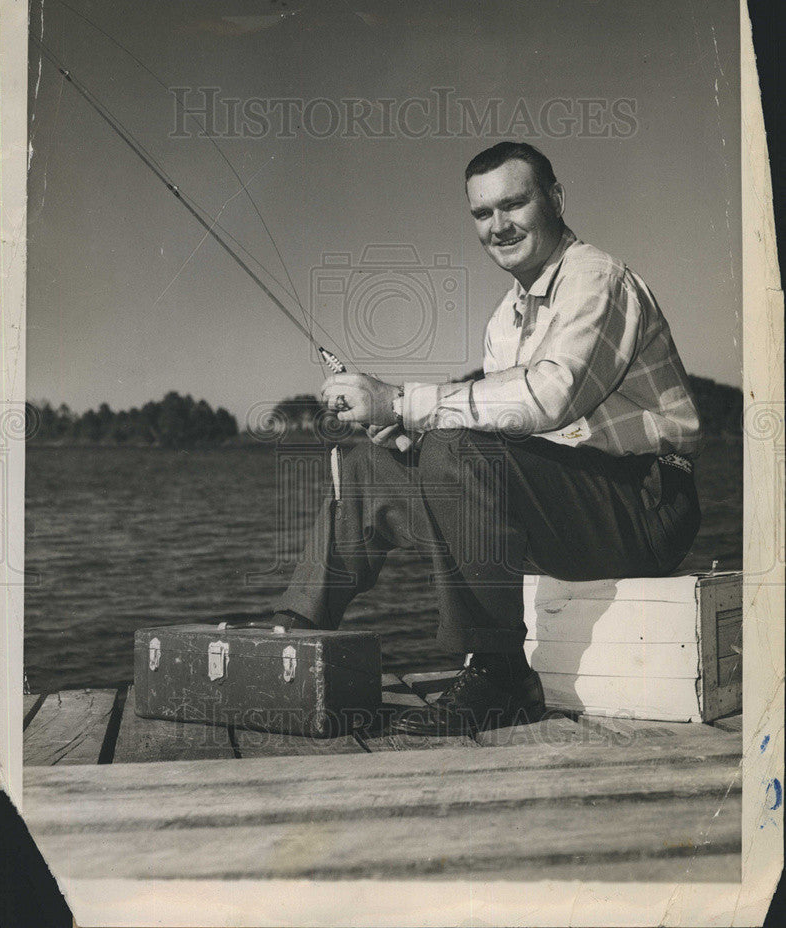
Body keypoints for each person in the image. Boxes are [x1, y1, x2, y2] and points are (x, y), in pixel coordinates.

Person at [272, 141, 702, 736]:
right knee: (372, 465)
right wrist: (404, 433)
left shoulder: (597, 280)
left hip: (645, 506)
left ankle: (501, 675)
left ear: (555, 198)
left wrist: (402, 401)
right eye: (481, 213)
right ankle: (293, 640)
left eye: (514, 204)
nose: (498, 226)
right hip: (560, 504)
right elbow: (499, 430)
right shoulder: (506, 316)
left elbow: (550, 398)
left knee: (457, 450)